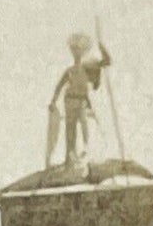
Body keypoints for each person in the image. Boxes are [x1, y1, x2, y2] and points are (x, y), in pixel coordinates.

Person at [47, 32, 112, 167]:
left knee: (86, 127)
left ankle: (87, 156)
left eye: (79, 50)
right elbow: (60, 85)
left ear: (83, 52)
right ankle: (69, 158)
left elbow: (107, 61)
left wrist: (102, 48)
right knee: (70, 129)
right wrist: (53, 101)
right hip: (70, 101)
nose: (77, 53)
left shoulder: (89, 66)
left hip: (82, 102)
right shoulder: (70, 70)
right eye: (75, 50)